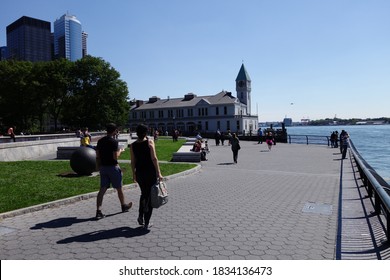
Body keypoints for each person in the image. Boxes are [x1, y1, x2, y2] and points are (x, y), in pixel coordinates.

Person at [95, 123, 133, 219]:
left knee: (102, 189)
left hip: (103, 168)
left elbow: (98, 156)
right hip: (113, 167)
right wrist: (121, 151)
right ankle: (123, 206)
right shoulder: (114, 142)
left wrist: (98, 166)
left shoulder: (100, 141)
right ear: (114, 131)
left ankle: (98, 211)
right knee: (119, 188)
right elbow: (115, 157)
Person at [130, 124, 163, 230]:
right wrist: (159, 173)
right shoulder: (149, 142)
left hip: (140, 172)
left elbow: (133, 161)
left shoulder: (133, 145)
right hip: (150, 172)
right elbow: (154, 158)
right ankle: (147, 222)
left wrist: (133, 174)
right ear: (145, 133)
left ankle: (140, 215)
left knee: (144, 194)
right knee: (150, 196)